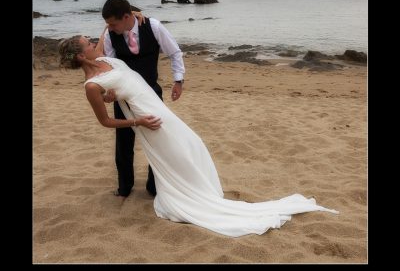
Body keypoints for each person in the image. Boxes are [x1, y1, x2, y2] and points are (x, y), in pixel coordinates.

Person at [58, 32, 338, 238]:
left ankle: (200, 189)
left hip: (157, 109)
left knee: (192, 143)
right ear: (82, 55)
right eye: (89, 43)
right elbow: (106, 122)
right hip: (148, 117)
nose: (96, 42)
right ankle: (187, 196)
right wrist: (137, 120)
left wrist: (130, 17)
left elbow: (108, 35)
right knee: (175, 152)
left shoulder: (107, 59)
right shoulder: (91, 85)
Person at [101, 0, 185, 198]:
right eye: (108, 25)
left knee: (157, 140)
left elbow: (175, 52)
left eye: (113, 24)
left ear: (127, 16)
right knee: (124, 143)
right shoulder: (109, 36)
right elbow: (109, 66)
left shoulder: (153, 26)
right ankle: (124, 187)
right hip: (123, 98)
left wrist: (178, 81)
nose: (110, 28)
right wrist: (110, 91)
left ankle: (154, 186)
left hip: (151, 94)